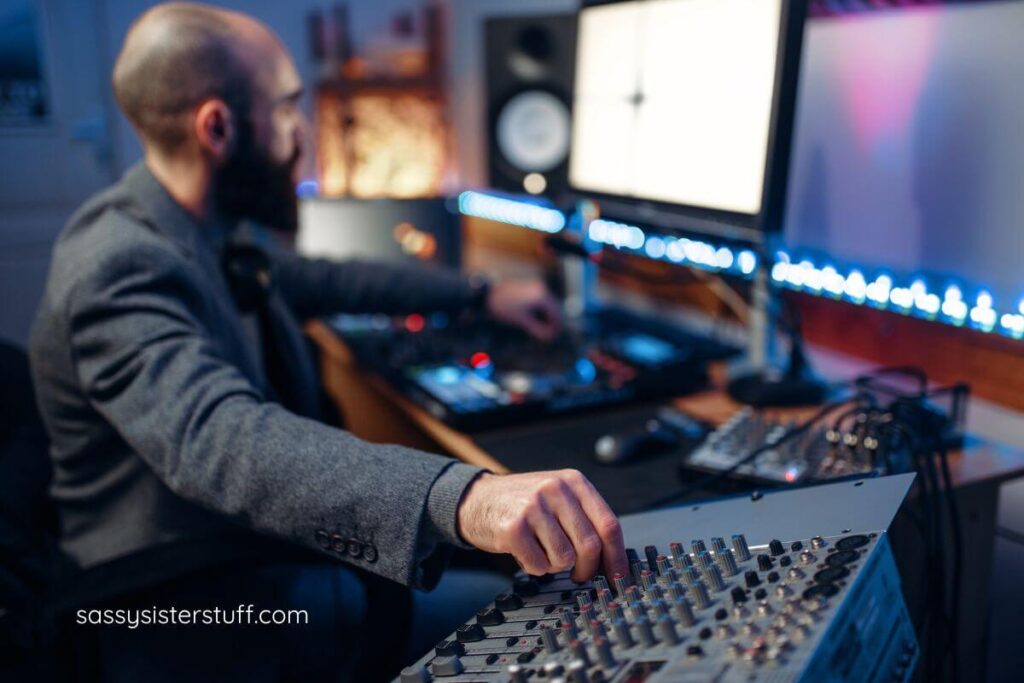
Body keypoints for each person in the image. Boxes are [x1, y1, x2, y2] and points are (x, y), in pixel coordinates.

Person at [28, 3, 628, 681]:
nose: (303, 133)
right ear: (217, 127)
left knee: (507, 577)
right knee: (545, 616)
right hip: (171, 601)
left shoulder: (207, 227)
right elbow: (224, 439)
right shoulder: (118, 260)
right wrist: (470, 498)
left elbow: (328, 279)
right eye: (288, 108)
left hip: (237, 553)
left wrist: (480, 294)